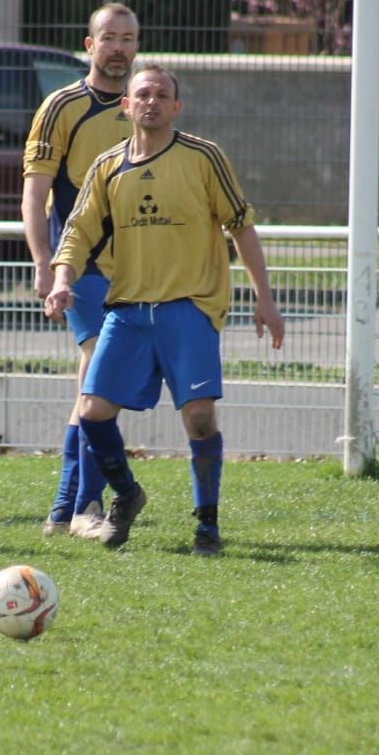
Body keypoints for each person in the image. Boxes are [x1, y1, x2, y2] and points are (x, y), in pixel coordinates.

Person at [45, 63, 284, 555]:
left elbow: (241, 225)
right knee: (92, 413)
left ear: (176, 106)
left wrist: (264, 296)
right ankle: (127, 493)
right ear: (126, 106)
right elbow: (78, 231)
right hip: (127, 310)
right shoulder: (107, 166)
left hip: (188, 308)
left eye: (161, 95)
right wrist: (62, 278)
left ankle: (207, 526)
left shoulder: (203, 157)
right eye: (142, 95)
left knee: (199, 417)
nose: (151, 102)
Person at [22, 3, 139, 540]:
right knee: (99, 369)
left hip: (134, 270)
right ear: (90, 45)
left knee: (96, 384)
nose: (118, 48)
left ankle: (64, 508)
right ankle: (86, 505)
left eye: (128, 39)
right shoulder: (62, 106)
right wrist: (44, 262)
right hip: (82, 262)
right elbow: (35, 193)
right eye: (108, 37)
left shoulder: (144, 104)